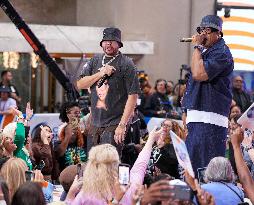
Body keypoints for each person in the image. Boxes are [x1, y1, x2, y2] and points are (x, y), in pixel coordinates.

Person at [182, 15, 234, 175]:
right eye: (201, 30)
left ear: (218, 33)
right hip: (197, 118)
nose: (202, 34)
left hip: (209, 120)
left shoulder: (222, 53)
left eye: (207, 30)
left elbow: (198, 74)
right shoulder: (207, 52)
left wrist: (197, 47)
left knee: (203, 172)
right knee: (191, 170)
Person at [76, 27, 140, 154]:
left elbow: (133, 96)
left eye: (112, 41)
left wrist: (122, 125)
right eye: (105, 41)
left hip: (115, 122)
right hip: (95, 122)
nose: (108, 43)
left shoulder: (126, 63)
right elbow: (80, 84)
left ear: (119, 44)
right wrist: (100, 74)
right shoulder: (95, 60)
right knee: (93, 162)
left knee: (110, 162)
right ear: (101, 43)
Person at [65, 127, 163, 205]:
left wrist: (71, 194)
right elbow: (140, 166)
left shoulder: (86, 194)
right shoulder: (130, 185)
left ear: (92, 166)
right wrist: (151, 140)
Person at [54, 102, 87, 172]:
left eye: (79, 112)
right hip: (65, 174)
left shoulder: (81, 129)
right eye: (76, 113)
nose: (78, 115)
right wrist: (68, 136)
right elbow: (59, 153)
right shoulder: (62, 128)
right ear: (68, 114)